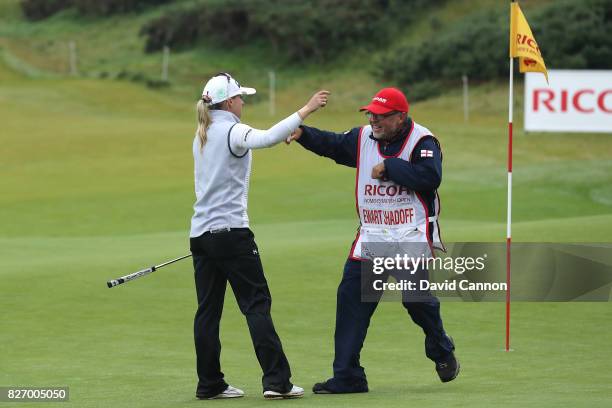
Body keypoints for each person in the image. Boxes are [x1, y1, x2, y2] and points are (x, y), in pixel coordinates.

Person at [287, 87, 459, 394]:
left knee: (416, 300)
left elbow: (429, 178)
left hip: (411, 234)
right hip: (373, 235)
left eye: (381, 116)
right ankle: (348, 376)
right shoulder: (363, 137)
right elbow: (333, 144)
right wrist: (302, 133)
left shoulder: (423, 141)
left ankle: (441, 348)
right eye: (371, 115)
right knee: (351, 302)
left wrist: (391, 167)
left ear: (400, 117)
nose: (374, 121)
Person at [189, 72, 329, 400]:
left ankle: (209, 384)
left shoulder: (203, 133)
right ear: (229, 102)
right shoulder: (232, 130)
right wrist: (305, 110)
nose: (243, 102)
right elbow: (266, 138)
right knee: (256, 305)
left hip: (201, 235)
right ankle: (277, 381)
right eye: (240, 97)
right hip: (232, 235)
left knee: (207, 311)